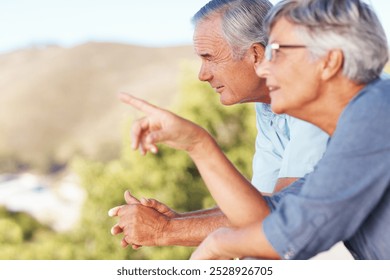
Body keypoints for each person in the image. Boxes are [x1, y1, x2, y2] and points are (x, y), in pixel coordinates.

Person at [109, 0, 328, 250]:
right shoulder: (269, 106)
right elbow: (256, 207)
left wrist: (164, 231)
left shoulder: (315, 95)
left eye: (209, 58)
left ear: (256, 54)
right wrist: (177, 220)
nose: (202, 74)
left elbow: (278, 221)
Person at [189, 0, 390, 259]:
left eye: (278, 52)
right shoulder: (346, 135)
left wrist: (219, 244)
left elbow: (295, 233)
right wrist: (197, 144)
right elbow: (270, 212)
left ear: (329, 61)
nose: (261, 66)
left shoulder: (376, 111)